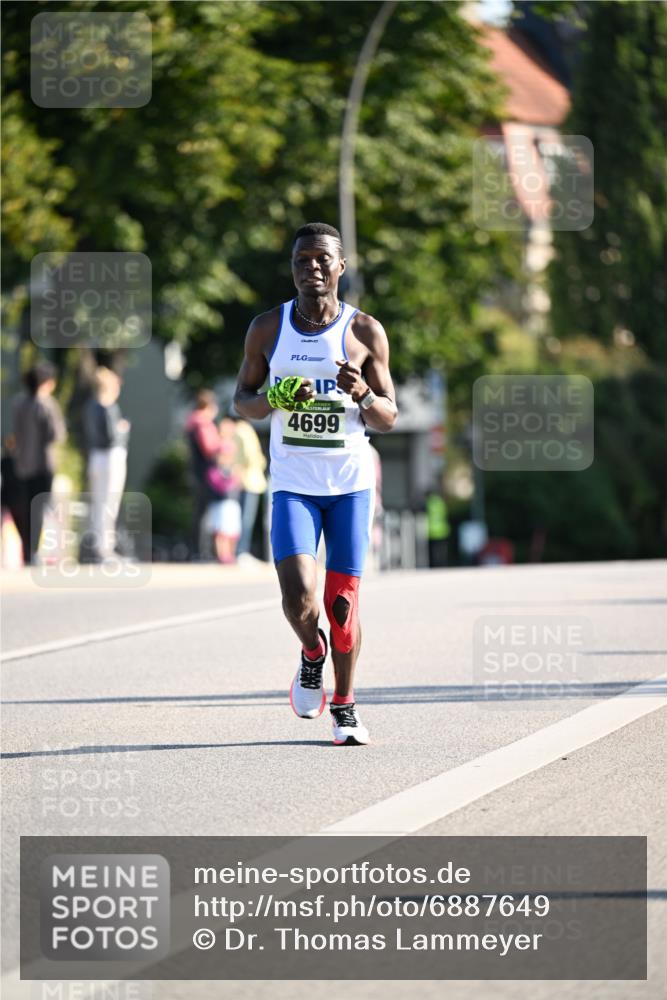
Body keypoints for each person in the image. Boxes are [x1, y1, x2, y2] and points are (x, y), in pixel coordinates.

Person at [234, 222, 398, 746]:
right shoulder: (267, 328)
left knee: (342, 605)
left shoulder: (365, 332)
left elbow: (390, 417)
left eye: (323, 259)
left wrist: (365, 396)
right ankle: (311, 654)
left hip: (349, 484)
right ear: (293, 268)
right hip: (293, 483)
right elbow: (243, 400)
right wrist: (276, 396)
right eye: (303, 260)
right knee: (298, 596)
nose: (313, 268)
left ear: (341, 267)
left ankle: (345, 707)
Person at [11, 361, 66, 565]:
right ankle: (35, 550)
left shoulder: (19, 403)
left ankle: (27, 549)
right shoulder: (47, 405)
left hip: (23, 464)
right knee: (40, 507)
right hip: (43, 464)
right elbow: (57, 434)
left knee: (25, 507)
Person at [83, 367, 130, 561]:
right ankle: (105, 550)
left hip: (96, 457)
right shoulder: (109, 408)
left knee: (98, 503)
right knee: (109, 503)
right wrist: (123, 429)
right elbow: (112, 436)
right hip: (111, 457)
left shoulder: (91, 406)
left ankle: (97, 547)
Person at [185, 389, 222, 559]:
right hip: (205, 473)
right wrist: (225, 445)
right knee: (203, 513)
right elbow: (209, 448)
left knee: (198, 512)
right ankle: (200, 552)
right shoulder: (202, 423)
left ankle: (196, 550)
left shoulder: (192, 421)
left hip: (197, 471)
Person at [203, 417, 243, 565]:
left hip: (232, 497)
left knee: (232, 529)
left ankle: (230, 555)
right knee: (221, 529)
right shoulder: (215, 467)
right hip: (220, 497)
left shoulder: (232, 449)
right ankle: (222, 555)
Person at [234, 418, 268, 561]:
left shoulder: (239, 429)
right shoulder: (244, 430)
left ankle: (240, 550)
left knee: (243, 517)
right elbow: (250, 456)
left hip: (245, 479)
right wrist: (262, 462)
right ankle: (241, 550)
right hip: (249, 480)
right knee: (246, 518)